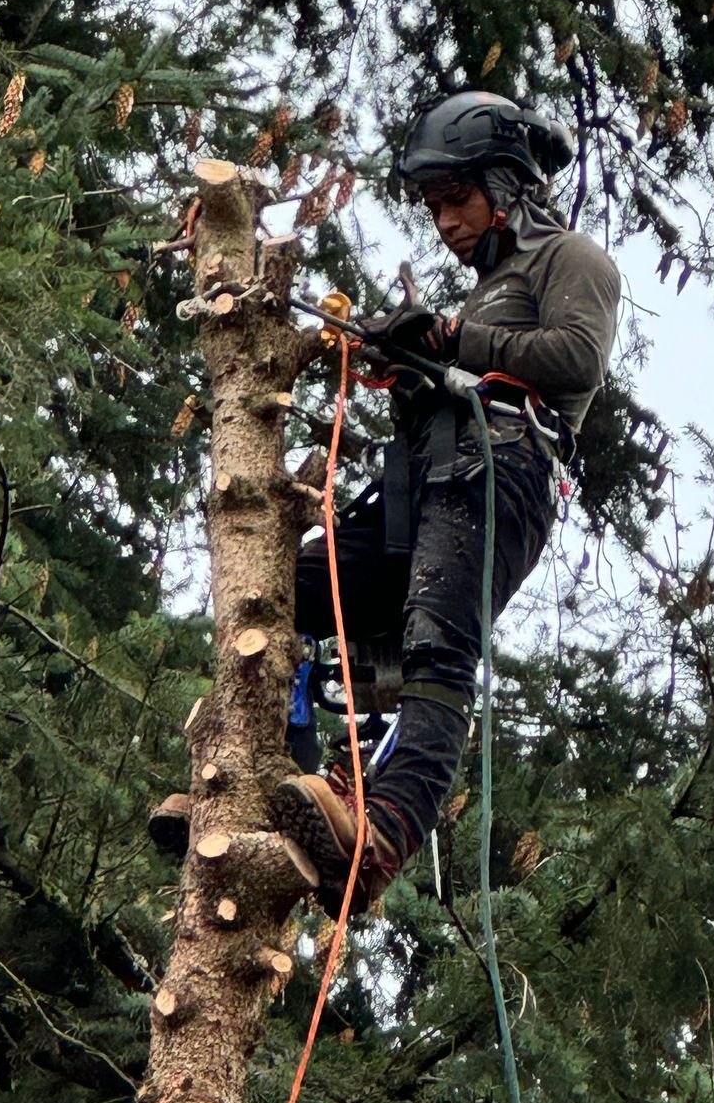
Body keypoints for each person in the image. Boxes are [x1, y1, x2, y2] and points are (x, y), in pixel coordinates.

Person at [152, 89, 622, 912]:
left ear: (506, 185)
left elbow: (577, 357)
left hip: (499, 476)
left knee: (439, 652)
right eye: (434, 206)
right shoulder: (489, 289)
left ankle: (381, 837)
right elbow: (457, 374)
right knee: (283, 591)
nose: (446, 222)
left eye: (458, 198)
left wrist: (445, 338)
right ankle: (255, 787)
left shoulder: (572, 259)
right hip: (426, 483)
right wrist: (408, 367)